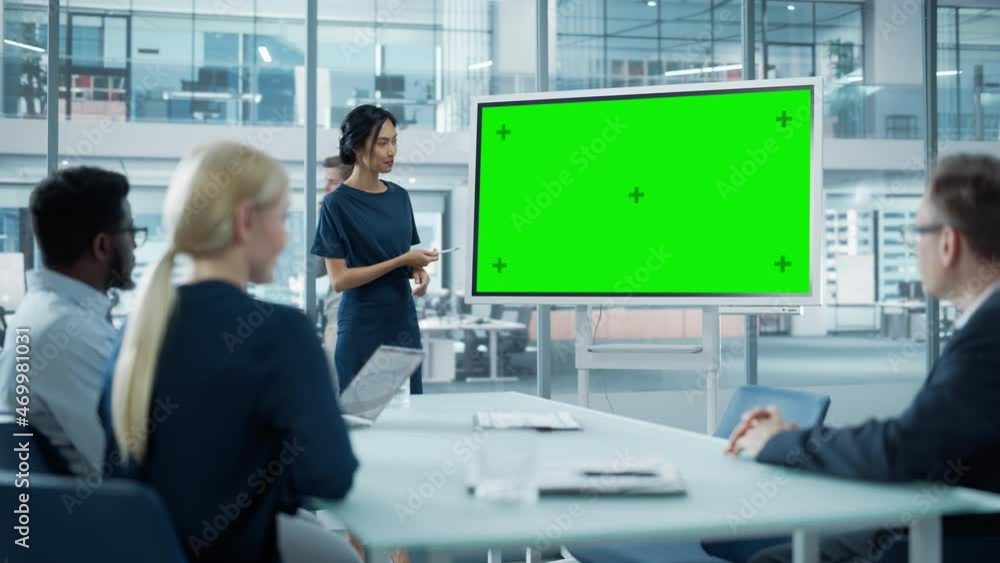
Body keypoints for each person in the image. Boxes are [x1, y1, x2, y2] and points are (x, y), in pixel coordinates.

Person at [725, 153, 1000, 563]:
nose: (912, 248)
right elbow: (927, 438)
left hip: (955, 539)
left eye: (916, 233)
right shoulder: (984, 321)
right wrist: (800, 439)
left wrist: (783, 442)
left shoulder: (989, 333)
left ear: (948, 242)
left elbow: (905, 450)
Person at [99, 142, 360, 563]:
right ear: (245, 221)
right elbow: (331, 476)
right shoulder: (282, 332)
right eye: (280, 218)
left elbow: (119, 471)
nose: (285, 237)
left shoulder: (136, 333)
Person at [0, 166, 138, 475]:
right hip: (109, 516)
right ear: (102, 246)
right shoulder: (68, 332)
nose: (135, 245)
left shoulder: (43, 314)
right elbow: (132, 458)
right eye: (130, 232)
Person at [311, 105, 439, 395]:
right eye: (382, 143)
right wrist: (404, 260)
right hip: (361, 325)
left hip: (402, 320)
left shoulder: (400, 197)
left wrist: (417, 269)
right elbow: (340, 280)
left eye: (394, 141)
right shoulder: (337, 205)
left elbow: (397, 258)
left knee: (409, 419)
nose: (391, 151)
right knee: (363, 421)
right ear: (356, 147)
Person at [314, 155, 354, 382]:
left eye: (332, 182)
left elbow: (317, 270)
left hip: (344, 315)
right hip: (338, 314)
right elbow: (318, 270)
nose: (326, 188)